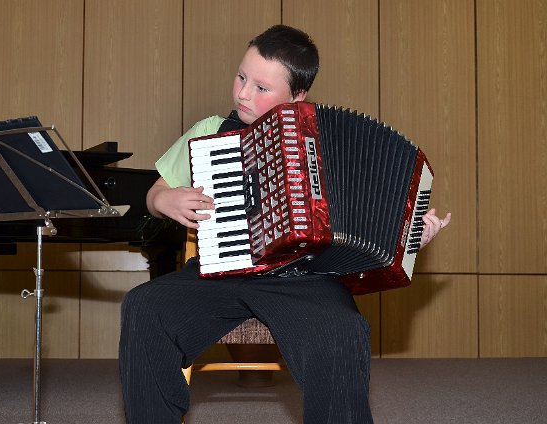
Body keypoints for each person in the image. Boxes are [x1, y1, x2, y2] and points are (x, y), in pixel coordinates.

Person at [120, 24, 451, 424]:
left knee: (343, 334)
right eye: (241, 77)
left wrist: (413, 233)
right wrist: (164, 200)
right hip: (221, 275)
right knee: (143, 307)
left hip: (302, 279)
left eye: (262, 87)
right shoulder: (210, 132)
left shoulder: (329, 145)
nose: (243, 92)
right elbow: (153, 195)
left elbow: (378, 223)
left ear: (297, 96)